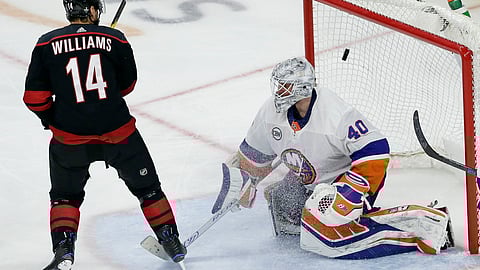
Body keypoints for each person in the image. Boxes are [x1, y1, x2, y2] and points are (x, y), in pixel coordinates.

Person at [211, 56, 454, 259]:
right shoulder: (270, 113)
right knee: (281, 205)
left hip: (346, 179)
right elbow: (253, 156)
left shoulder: (334, 114)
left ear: (302, 88)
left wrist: (351, 191)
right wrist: (244, 180)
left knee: (326, 237)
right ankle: (349, 221)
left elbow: (377, 151)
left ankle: (424, 225)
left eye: (285, 86)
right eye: (278, 85)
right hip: (312, 182)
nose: (279, 92)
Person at [23, 1, 186, 269]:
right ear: (92, 10)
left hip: (70, 140)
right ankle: (170, 240)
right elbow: (127, 85)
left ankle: (64, 251)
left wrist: (52, 119)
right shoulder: (115, 39)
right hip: (119, 134)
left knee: (65, 197)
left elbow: (34, 98)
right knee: (148, 190)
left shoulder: (45, 43)